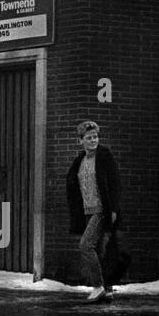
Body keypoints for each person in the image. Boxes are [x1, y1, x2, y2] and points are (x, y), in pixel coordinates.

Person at [65, 120, 122, 302]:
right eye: (89, 138)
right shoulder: (80, 160)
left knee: (85, 245)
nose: (93, 140)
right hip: (86, 210)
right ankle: (108, 288)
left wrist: (113, 209)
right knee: (98, 249)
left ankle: (97, 287)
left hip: (101, 209)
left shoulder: (104, 156)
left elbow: (115, 184)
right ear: (80, 140)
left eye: (95, 136)